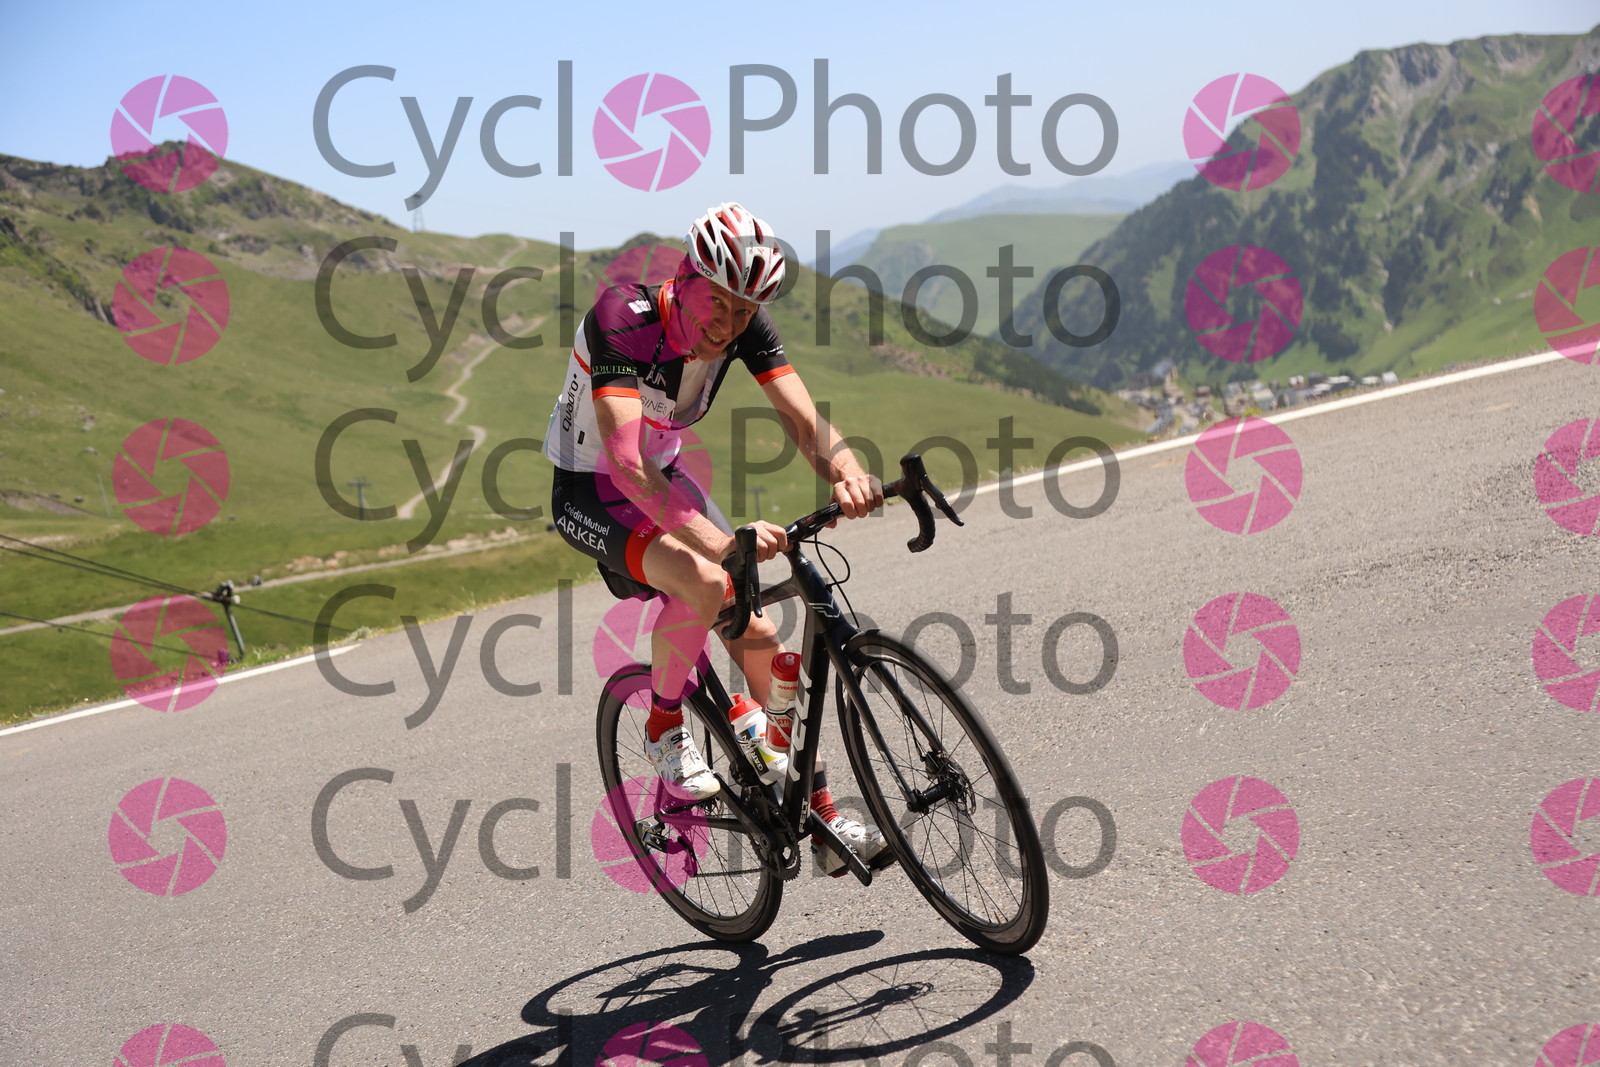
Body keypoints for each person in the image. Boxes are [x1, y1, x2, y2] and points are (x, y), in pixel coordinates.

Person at [543, 202, 886, 875]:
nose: (727, 324)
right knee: (705, 581)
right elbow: (625, 464)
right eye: (718, 302)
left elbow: (802, 418)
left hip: (665, 478)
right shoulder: (621, 318)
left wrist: (848, 470)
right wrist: (721, 542)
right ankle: (663, 728)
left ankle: (820, 816)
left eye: (744, 309)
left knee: (755, 630)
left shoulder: (743, 327)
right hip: (593, 488)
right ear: (685, 274)